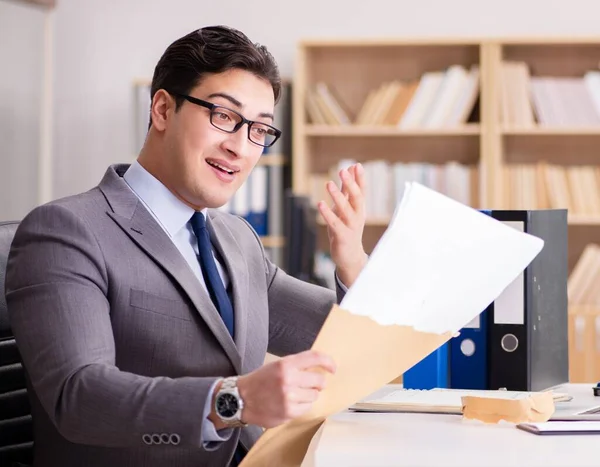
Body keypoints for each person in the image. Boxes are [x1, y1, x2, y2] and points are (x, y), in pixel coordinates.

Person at [5, 25, 368, 467]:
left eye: (259, 130)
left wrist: (353, 264)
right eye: (224, 117)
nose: (239, 147)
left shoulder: (238, 240)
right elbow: (79, 396)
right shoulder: (66, 230)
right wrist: (236, 400)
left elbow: (337, 340)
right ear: (162, 108)